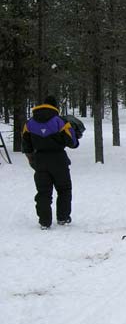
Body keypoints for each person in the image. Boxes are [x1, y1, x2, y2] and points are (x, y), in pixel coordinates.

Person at [22, 96, 78, 229]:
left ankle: (44, 222)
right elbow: (72, 142)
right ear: (55, 107)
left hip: (40, 159)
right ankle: (63, 217)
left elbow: (26, 145)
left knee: (43, 192)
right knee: (64, 189)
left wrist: (31, 159)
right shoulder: (60, 122)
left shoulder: (29, 123)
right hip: (59, 159)